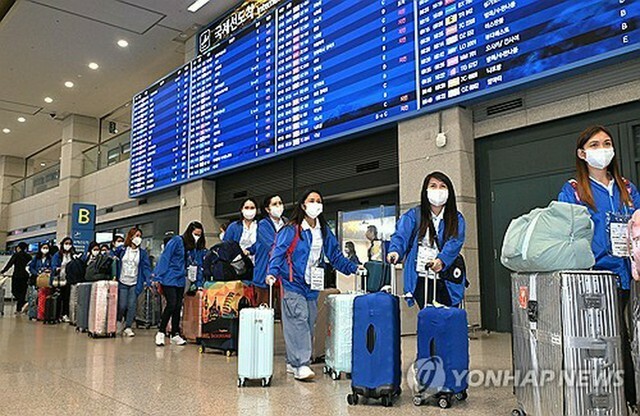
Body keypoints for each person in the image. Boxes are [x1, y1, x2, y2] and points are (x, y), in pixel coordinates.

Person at [558, 125, 640, 410]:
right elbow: (564, 234)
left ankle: (630, 396)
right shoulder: (573, 190)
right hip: (596, 279)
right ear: (582, 153)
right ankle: (618, 398)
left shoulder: (627, 188)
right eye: (594, 145)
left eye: (606, 143)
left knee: (632, 337)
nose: (602, 149)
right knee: (612, 338)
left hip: (631, 274)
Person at [266, 190, 360, 381]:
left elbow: (335, 256)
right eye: (311, 200)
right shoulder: (291, 229)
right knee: (298, 318)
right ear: (303, 205)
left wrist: (353, 268)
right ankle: (302, 364)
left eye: (319, 200)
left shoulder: (324, 231)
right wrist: (272, 272)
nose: (316, 204)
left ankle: (293, 362)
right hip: (292, 282)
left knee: (308, 322)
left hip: (313, 283)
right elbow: (278, 252)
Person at [387, 172, 466, 309]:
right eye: (433, 186)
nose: (438, 190)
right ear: (426, 190)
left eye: (442, 186)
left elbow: (455, 242)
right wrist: (395, 251)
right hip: (421, 276)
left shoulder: (456, 218)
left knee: (449, 317)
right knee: (430, 317)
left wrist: (441, 260)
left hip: (447, 276)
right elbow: (401, 236)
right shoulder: (413, 215)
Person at [153, 221, 206, 347]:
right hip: (169, 277)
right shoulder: (177, 241)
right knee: (171, 304)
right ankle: (161, 332)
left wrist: (198, 283)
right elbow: (165, 257)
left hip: (181, 279)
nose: (197, 236)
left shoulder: (195, 249)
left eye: (199, 234)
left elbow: (197, 265)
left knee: (177, 306)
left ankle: (175, 334)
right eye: (195, 234)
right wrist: (158, 276)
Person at [114, 227, 152, 337]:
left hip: (135, 282)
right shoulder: (122, 249)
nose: (138, 238)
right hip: (122, 281)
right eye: (136, 236)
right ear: (130, 237)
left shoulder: (143, 253)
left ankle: (128, 326)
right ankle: (119, 320)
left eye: (140, 236)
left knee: (131, 305)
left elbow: (146, 268)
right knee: (122, 305)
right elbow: (112, 255)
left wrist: (148, 280)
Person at [255, 194, 287, 310]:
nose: (278, 206)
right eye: (274, 204)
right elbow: (272, 246)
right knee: (264, 309)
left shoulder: (287, 223)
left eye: (280, 203)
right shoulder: (263, 225)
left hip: (284, 274)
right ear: (267, 209)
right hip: (265, 271)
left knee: (283, 310)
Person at [1, 242, 32, 314]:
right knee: (23, 292)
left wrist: (3, 271)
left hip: (17, 276)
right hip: (25, 276)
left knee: (14, 291)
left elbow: (10, 264)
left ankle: (23, 304)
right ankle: (19, 309)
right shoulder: (29, 256)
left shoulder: (16, 255)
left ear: (19, 247)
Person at [51, 237, 77, 322]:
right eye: (66, 243)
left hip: (69, 278)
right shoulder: (58, 255)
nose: (68, 245)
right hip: (59, 279)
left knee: (67, 297)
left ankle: (65, 314)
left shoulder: (73, 254)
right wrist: (56, 268)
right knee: (59, 297)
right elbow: (53, 265)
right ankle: (57, 315)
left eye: (70, 244)